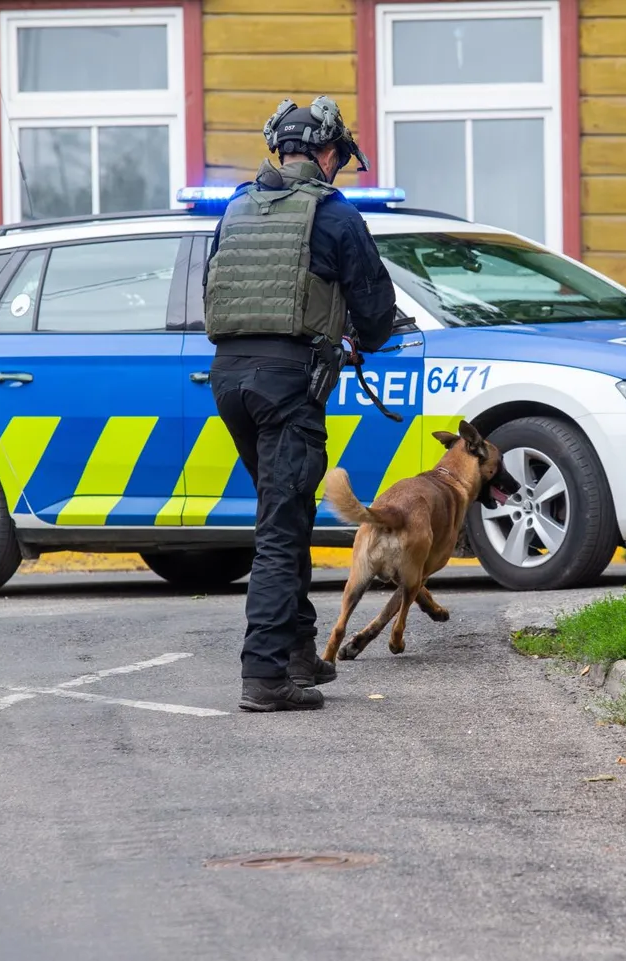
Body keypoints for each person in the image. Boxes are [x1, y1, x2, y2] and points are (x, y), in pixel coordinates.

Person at [202, 96, 396, 712]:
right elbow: (373, 310)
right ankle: (264, 676)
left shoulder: (234, 208)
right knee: (281, 531)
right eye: (341, 155)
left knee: (287, 517)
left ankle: (296, 653)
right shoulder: (334, 215)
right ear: (327, 151)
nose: (341, 166)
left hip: (230, 380)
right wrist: (362, 337)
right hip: (289, 384)